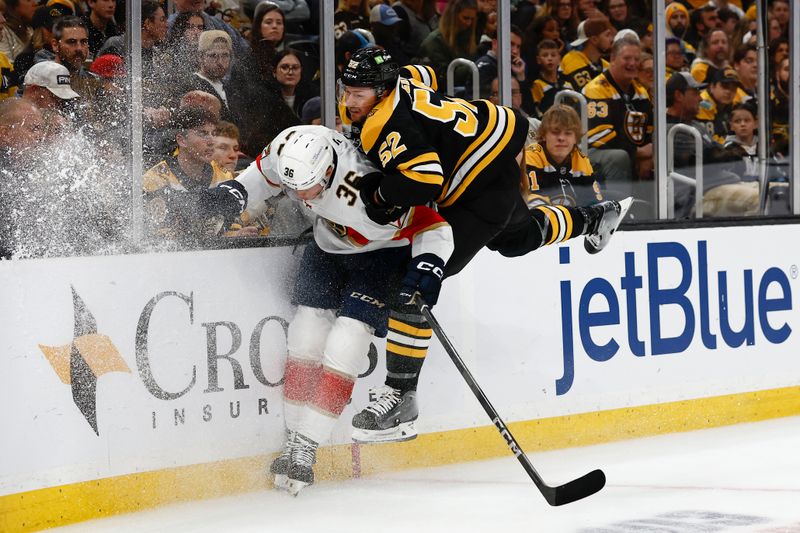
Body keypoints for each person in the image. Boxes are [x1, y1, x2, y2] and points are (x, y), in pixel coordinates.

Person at [339, 47, 629, 442]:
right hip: (502, 141)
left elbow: (424, 180)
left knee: (414, 281)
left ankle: (401, 400)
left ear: (384, 89)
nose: (349, 101)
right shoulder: (404, 80)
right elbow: (426, 72)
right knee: (518, 238)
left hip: (478, 189)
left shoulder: (386, 125)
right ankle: (594, 217)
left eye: (360, 94)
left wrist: (377, 194)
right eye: (347, 91)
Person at [232, 125, 455, 493]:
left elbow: (433, 225)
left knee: (346, 346)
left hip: (381, 257)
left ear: (330, 174)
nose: (301, 196)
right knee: (305, 338)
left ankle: (306, 448)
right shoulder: (291, 143)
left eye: (310, 188)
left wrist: (429, 265)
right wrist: (233, 193)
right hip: (327, 250)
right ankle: (292, 440)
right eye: (296, 189)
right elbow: (262, 172)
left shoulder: (366, 194)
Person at [142, 105, 246, 238]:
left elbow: (233, 223)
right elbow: (157, 239)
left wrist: (237, 234)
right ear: (182, 140)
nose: (211, 141)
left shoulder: (224, 175)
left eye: (213, 134)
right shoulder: (154, 180)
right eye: (202, 133)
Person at [665, 71, 758, 218]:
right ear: (678, 95)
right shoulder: (671, 129)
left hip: (722, 185)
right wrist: (728, 154)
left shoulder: (697, 125)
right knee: (757, 200)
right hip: (696, 195)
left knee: (777, 191)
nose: (701, 98)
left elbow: (719, 154)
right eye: (695, 93)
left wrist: (726, 154)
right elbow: (703, 163)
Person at [582, 33, 653, 185]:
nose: (633, 63)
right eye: (627, 58)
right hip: (591, 152)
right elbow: (600, 136)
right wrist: (637, 153)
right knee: (619, 157)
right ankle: (619, 207)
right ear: (612, 59)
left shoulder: (641, 93)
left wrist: (649, 156)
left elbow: (649, 130)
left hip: (630, 153)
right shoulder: (596, 89)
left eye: (636, 59)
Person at [524, 104, 603, 208]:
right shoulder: (531, 157)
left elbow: (593, 204)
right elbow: (535, 205)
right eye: (555, 132)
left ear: (576, 138)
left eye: (568, 133)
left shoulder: (581, 160)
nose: (561, 138)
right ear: (543, 135)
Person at [417, 0, 478, 88]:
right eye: (465, 18)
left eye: (472, 19)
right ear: (453, 16)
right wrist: (477, 64)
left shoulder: (467, 37)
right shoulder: (434, 41)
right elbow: (447, 77)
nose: (469, 23)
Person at [559, 17, 614, 91]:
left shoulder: (606, 65)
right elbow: (587, 94)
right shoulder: (572, 59)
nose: (611, 39)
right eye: (607, 35)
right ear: (594, 39)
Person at [695, 66, 739, 145]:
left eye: (733, 88)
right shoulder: (702, 103)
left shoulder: (731, 107)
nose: (729, 92)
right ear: (712, 86)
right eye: (725, 86)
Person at [529, 38, 571, 119]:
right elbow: (537, 111)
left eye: (553, 55)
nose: (550, 58)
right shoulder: (537, 85)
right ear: (538, 60)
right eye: (545, 55)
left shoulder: (567, 85)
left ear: (559, 59)